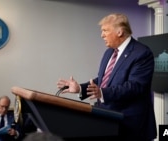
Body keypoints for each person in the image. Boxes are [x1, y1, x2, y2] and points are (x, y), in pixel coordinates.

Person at [56, 13, 157, 141]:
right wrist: (80, 89)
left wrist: (102, 92)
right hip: (106, 121)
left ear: (119, 32)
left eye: (105, 31)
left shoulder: (142, 53)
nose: (102, 35)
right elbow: (103, 80)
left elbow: (135, 87)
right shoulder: (109, 52)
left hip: (130, 125)